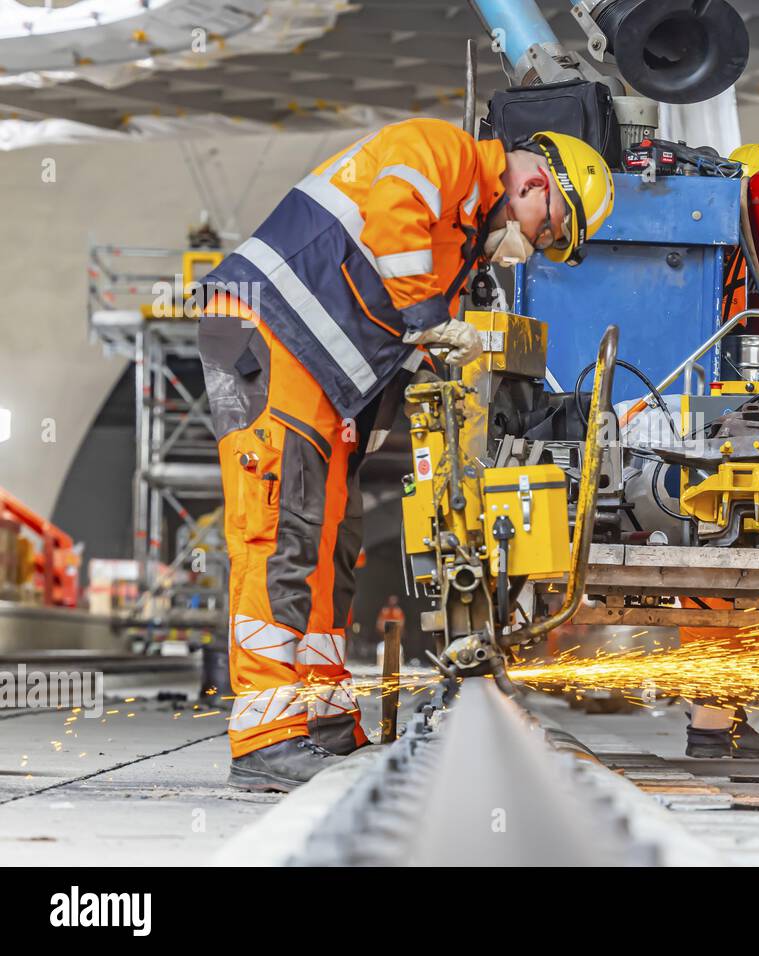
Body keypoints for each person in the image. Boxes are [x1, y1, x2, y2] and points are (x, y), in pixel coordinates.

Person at [199, 118, 615, 791]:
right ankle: (265, 736)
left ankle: (324, 715)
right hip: (266, 334)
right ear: (536, 183)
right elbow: (395, 217)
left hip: (319, 375)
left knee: (328, 538)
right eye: (551, 230)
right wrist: (430, 323)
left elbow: (403, 334)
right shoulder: (441, 153)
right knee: (277, 531)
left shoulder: (459, 250)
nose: (538, 248)